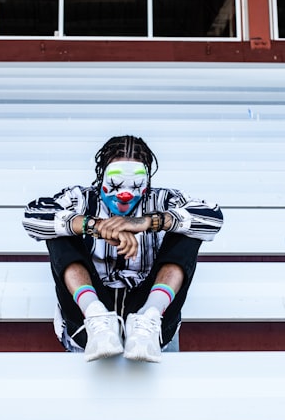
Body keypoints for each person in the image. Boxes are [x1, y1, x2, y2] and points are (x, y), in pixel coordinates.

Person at [23, 135, 223, 362]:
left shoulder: (162, 200)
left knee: (190, 228)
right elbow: (32, 217)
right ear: (102, 176)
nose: (125, 194)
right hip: (89, 314)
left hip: (149, 313)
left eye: (136, 185)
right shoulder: (80, 198)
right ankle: (96, 314)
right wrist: (94, 226)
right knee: (59, 228)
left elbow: (213, 218)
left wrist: (147, 222)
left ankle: (151, 314)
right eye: (116, 184)